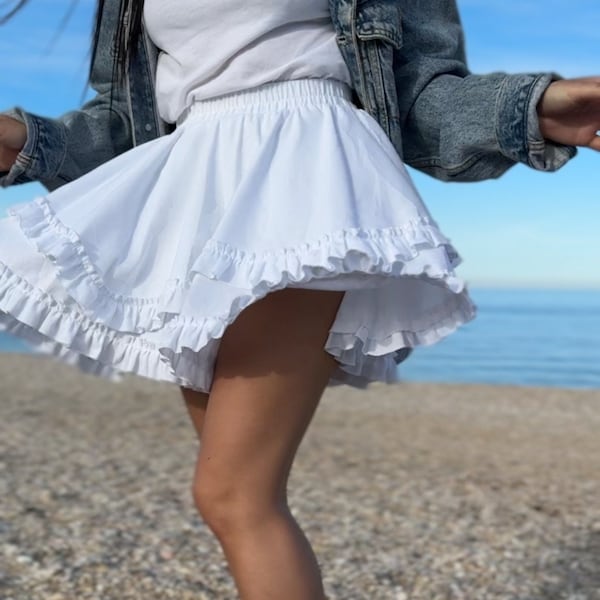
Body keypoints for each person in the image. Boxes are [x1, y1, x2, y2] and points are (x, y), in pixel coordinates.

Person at [0, 1, 598, 598]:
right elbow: (122, 121)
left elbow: (418, 96)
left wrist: (532, 109)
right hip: (188, 186)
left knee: (235, 495)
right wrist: (28, 140)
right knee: (231, 499)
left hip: (304, 172)